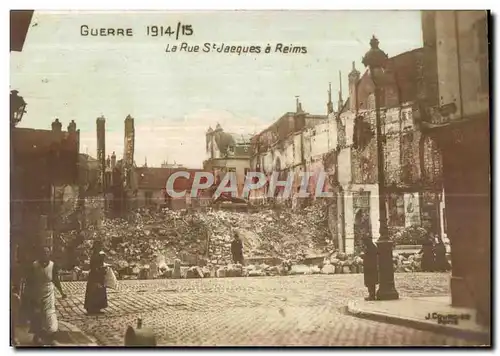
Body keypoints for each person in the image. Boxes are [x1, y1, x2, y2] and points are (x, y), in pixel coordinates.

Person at [25, 246, 67, 345]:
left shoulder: (53, 265)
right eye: (43, 252)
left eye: (47, 252)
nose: (45, 254)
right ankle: (37, 336)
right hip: (36, 292)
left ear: (49, 254)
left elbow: (55, 280)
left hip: (48, 292)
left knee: (50, 313)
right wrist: (29, 294)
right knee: (37, 314)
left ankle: (51, 335)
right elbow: (29, 281)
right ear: (40, 254)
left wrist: (61, 292)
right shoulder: (34, 265)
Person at [84, 249, 108, 315]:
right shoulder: (96, 257)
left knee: (95, 292)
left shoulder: (94, 256)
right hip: (96, 276)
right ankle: (94, 308)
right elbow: (96, 267)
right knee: (96, 292)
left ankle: (94, 308)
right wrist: (102, 270)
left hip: (94, 276)